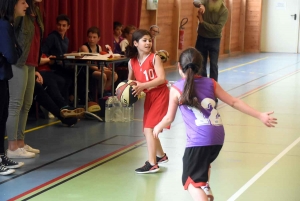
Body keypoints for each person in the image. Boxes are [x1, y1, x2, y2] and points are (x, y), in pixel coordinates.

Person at [153, 47, 277, 201]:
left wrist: (157, 126)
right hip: (217, 138)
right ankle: (205, 186)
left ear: (179, 66)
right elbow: (234, 101)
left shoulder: (177, 88)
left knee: (189, 180)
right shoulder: (211, 83)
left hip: (199, 141)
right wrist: (259, 115)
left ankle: (202, 189)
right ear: (201, 65)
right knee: (203, 163)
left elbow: (168, 119)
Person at [125, 29, 169, 174]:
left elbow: (161, 78)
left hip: (160, 94)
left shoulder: (154, 57)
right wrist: (125, 90)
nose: (148, 43)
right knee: (147, 131)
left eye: (150, 40)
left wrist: (143, 85)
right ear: (136, 43)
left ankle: (152, 163)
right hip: (149, 96)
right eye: (144, 40)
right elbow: (130, 80)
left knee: (148, 129)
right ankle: (161, 156)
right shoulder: (131, 62)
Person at [6, 0, 44, 159]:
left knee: (27, 104)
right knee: (16, 103)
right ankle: (12, 146)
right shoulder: (20, 9)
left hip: (31, 62)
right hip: (19, 62)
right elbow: (10, 32)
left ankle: (21, 142)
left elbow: (36, 39)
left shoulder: (35, 10)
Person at [0, 0, 28, 175]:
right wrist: (15, 49)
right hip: (1, 75)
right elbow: (12, 55)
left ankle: (1, 155)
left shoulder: (7, 23)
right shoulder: (3, 25)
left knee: (2, 117)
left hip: (3, 76)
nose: (26, 5)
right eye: (23, 2)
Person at [194, 0, 228, 83]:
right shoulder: (205, 2)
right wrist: (200, 5)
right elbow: (195, 1)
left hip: (214, 40)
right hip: (201, 38)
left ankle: (213, 86)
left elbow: (217, 29)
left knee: (213, 65)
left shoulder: (224, 11)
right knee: (201, 64)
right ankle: (203, 85)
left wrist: (202, 22)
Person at [41, 14, 73, 104]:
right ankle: (65, 102)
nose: (61, 27)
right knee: (69, 76)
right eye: (59, 25)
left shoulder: (66, 40)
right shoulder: (52, 37)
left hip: (61, 65)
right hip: (52, 66)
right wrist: (49, 59)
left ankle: (70, 99)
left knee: (77, 73)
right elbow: (43, 52)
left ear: (68, 27)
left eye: (64, 25)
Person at [79, 26, 118, 96]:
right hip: (86, 69)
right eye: (90, 37)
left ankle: (100, 92)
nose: (91, 39)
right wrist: (101, 69)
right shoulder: (84, 47)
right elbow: (88, 64)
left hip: (97, 68)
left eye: (94, 37)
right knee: (103, 76)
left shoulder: (99, 47)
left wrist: (105, 68)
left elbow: (100, 61)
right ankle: (99, 95)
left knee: (114, 75)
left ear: (98, 38)